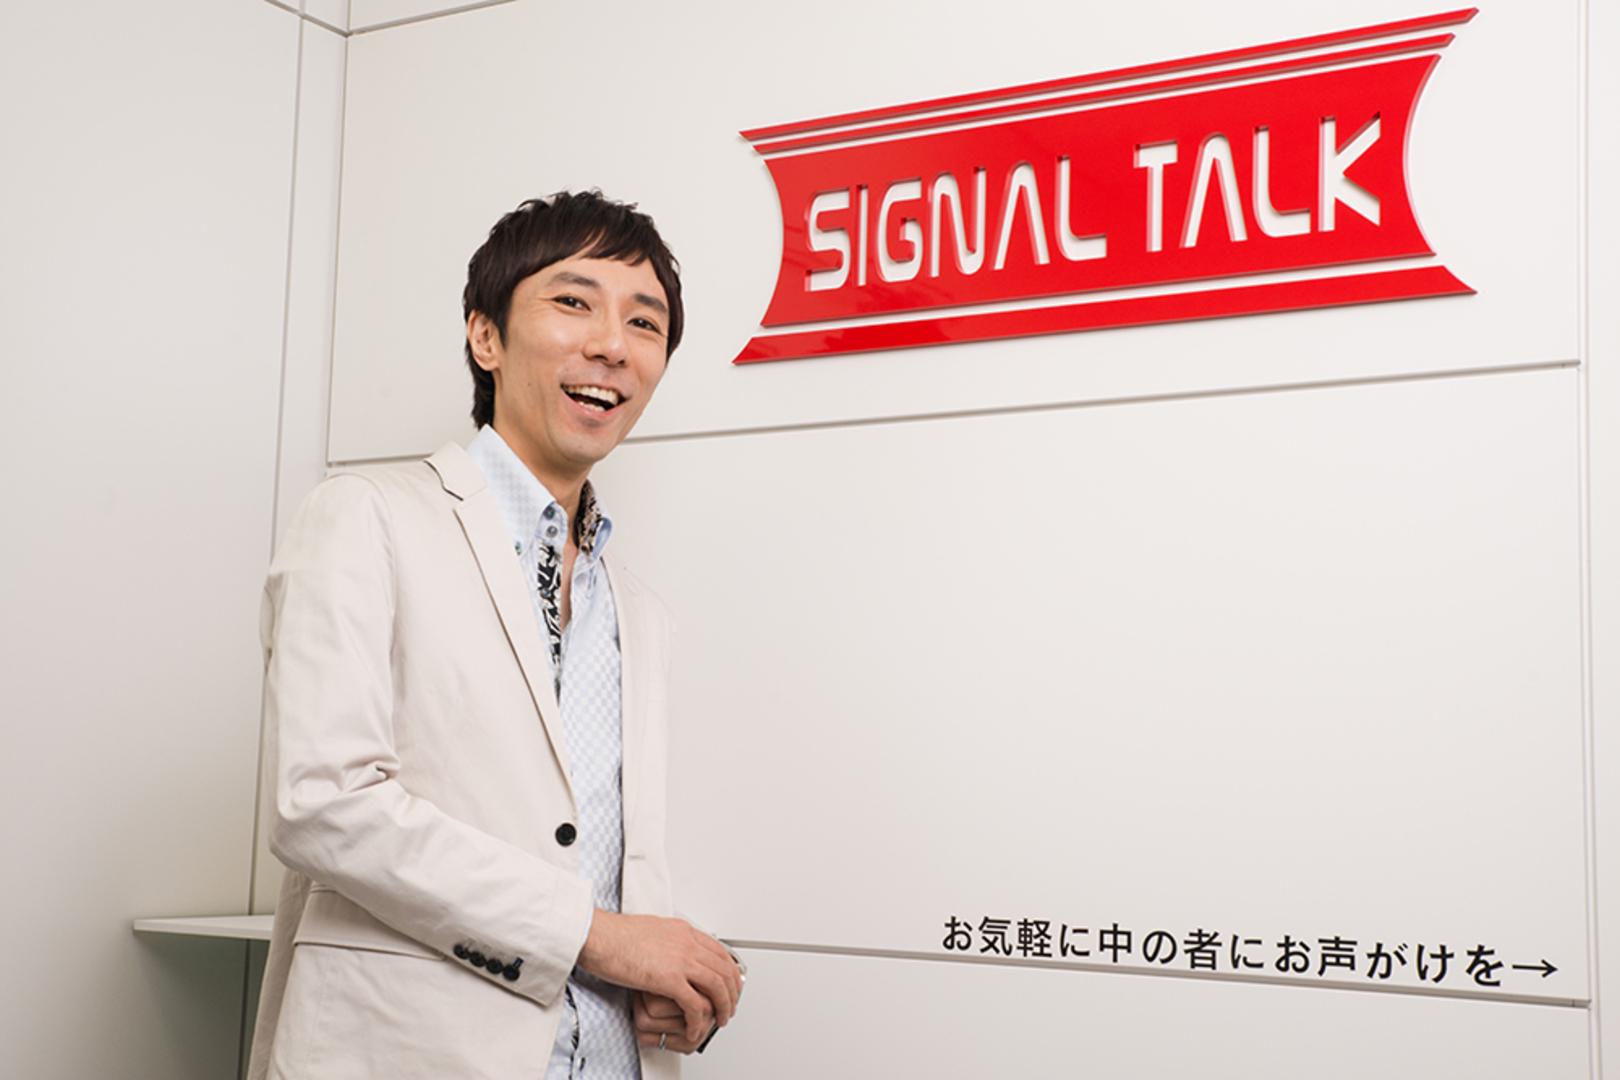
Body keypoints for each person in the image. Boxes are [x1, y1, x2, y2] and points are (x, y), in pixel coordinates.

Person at [247, 191, 742, 1080]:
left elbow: (592, 854)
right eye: (574, 302)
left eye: (645, 322)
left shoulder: (636, 608)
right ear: (486, 336)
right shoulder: (366, 517)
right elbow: (322, 801)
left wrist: (666, 975)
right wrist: (599, 937)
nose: (613, 344)